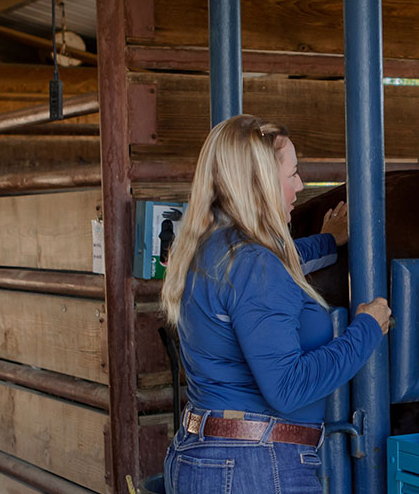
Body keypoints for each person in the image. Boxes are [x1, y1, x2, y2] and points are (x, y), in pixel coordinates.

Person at [159, 115, 392, 494]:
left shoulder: (212, 245)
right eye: (292, 174)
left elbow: (279, 262)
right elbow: (288, 387)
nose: (300, 186)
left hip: (209, 455)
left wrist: (328, 241)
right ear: (261, 184)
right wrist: (366, 329)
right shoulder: (254, 263)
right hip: (256, 466)